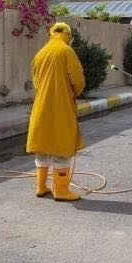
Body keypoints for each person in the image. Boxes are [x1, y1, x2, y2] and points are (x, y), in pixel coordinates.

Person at [26, 22, 85, 202]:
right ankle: (61, 190)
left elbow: (36, 83)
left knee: (42, 146)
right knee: (62, 146)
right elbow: (78, 80)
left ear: (52, 34)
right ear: (68, 35)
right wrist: (72, 94)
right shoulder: (67, 51)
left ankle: (41, 187)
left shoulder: (40, 54)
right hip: (61, 105)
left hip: (40, 105)